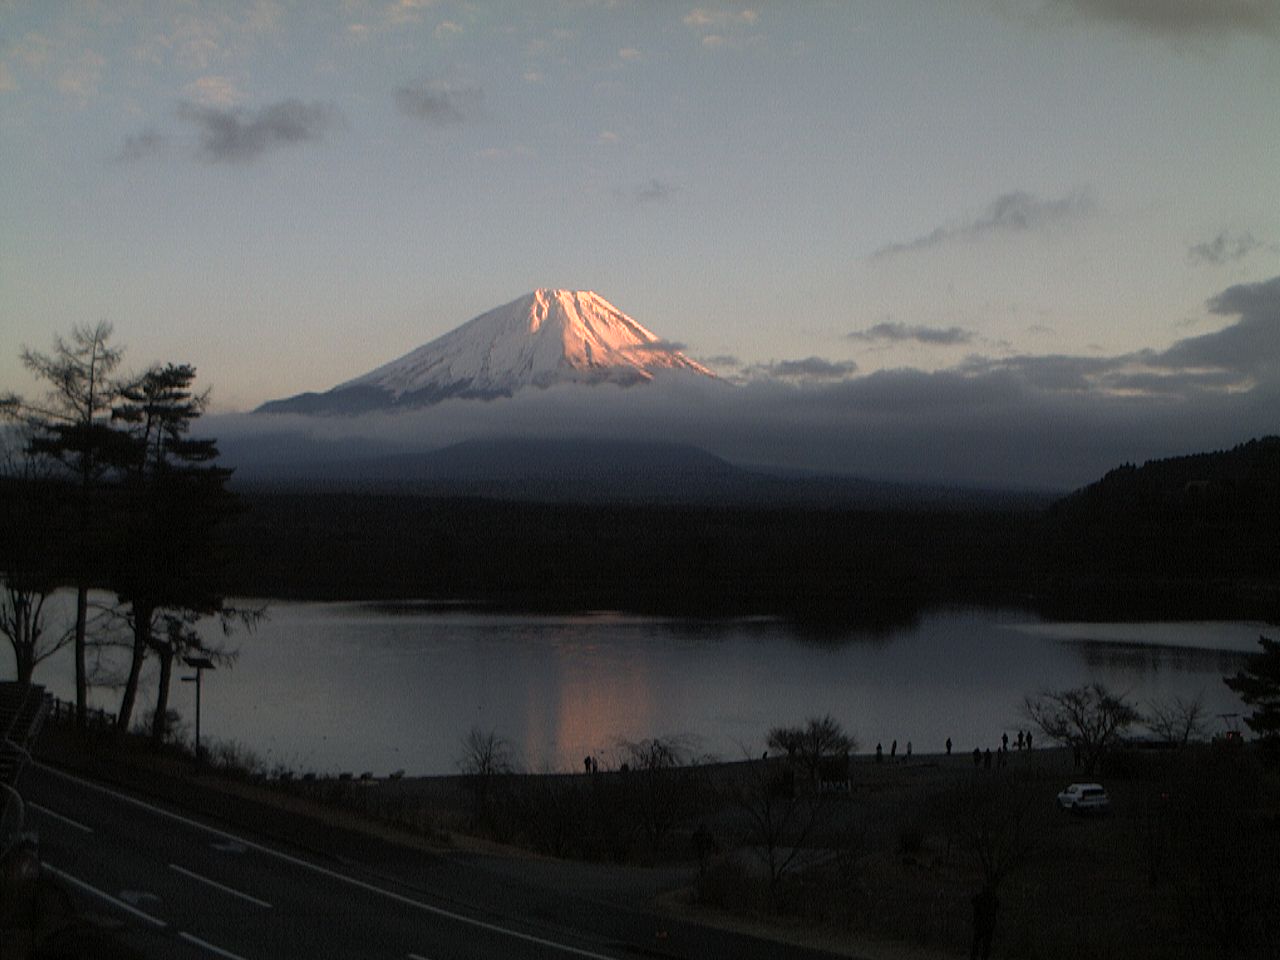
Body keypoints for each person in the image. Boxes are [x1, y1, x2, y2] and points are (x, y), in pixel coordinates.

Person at [971, 884, 999, 959]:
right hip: (987, 924)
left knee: (978, 943)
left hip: (981, 924)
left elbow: (973, 901)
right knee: (984, 944)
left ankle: (975, 957)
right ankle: (981, 957)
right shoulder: (991, 899)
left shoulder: (981, 898)